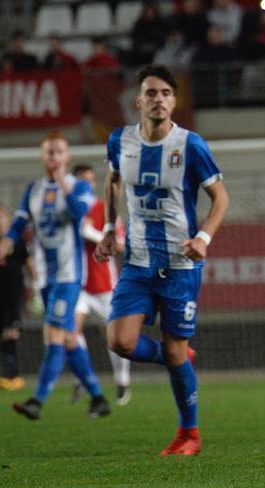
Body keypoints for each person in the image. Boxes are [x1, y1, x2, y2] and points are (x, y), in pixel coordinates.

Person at [96, 65, 229, 456]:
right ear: (139, 101)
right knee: (119, 342)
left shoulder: (191, 145)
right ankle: (177, 356)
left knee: (172, 352)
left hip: (180, 266)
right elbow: (113, 181)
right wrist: (108, 228)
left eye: (166, 93)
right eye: (151, 93)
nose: (158, 100)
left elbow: (220, 198)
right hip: (137, 262)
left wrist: (204, 237)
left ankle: (190, 435)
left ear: (175, 101)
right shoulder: (119, 140)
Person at [0, 132, 111, 420]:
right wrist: (3, 246)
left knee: (53, 334)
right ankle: (98, 398)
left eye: (59, 152)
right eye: (49, 152)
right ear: (43, 157)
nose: (54, 157)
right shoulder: (33, 189)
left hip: (69, 276)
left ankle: (38, 400)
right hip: (45, 277)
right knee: (69, 337)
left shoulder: (78, 186)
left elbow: (79, 211)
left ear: (67, 156)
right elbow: (19, 222)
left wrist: (61, 183)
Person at [69, 164, 131, 406]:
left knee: (116, 338)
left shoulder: (105, 209)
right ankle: (83, 377)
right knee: (71, 333)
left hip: (104, 285)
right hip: (77, 284)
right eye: (83, 180)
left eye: (91, 180)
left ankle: (122, 380)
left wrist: (93, 234)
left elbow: (121, 245)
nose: (88, 184)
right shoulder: (68, 210)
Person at [0, 203, 33, 391]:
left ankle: (12, 375)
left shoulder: (16, 239)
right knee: (1, 332)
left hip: (15, 291)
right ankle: (8, 374)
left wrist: (36, 288)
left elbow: (29, 262)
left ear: (8, 219)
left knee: (11, 331)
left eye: (1, 216)